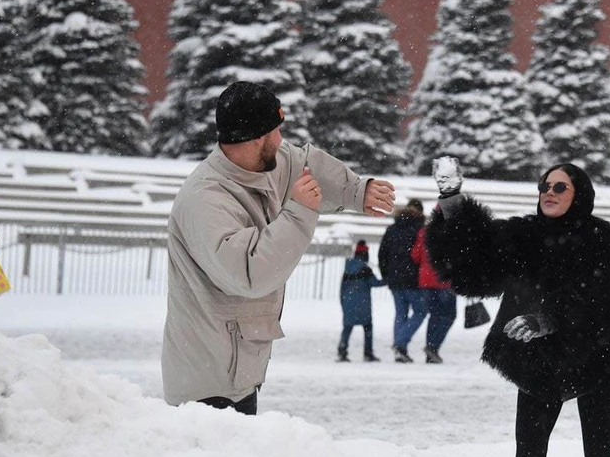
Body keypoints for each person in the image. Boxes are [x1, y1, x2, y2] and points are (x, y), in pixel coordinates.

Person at [425, 157, 610, 457]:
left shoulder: (602, 241)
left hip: (596, 361)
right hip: (541, 365)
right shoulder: (525, 235)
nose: (548, 194)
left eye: (559, 187)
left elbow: (605, 303)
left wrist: (548, 320)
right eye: (544, 186)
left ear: (580, 194)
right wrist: (452, 200)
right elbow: (476, 262)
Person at [161, 81, 396, 415]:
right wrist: (300, 212)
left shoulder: (264, 163)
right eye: (275, 131)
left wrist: (357, 191)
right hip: (206, 388)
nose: (281, 140)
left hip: (237, 374)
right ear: (257, 137)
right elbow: (249, 274)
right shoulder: (206, 198)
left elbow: (305, 162)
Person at [378, 198, 428, 363]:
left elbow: (382, 254)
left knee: (401, 313)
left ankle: (401, 350)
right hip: (413, 278)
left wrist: (386, 274)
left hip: (394, 278)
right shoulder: (420, 229)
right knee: (420, 312)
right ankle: (400, 344)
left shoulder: (392, 228)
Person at [411, 225, 456, 364]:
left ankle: (431, 350)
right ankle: (433, 347)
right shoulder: (452, 232)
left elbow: (415, 256)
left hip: (425, 281)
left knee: (435, 315)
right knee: (449, 315)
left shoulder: (424, 232)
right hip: (444, 281)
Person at [338, 240, 385, 362]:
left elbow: (342, 288)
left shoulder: (347, 268)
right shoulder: (365, 269)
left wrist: (343, 302)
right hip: (363, 304)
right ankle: (368, 353)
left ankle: (342, 350)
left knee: (347, 327)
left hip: (348, 302)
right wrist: (388, 280)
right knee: (368, 327)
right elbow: (375, 283)